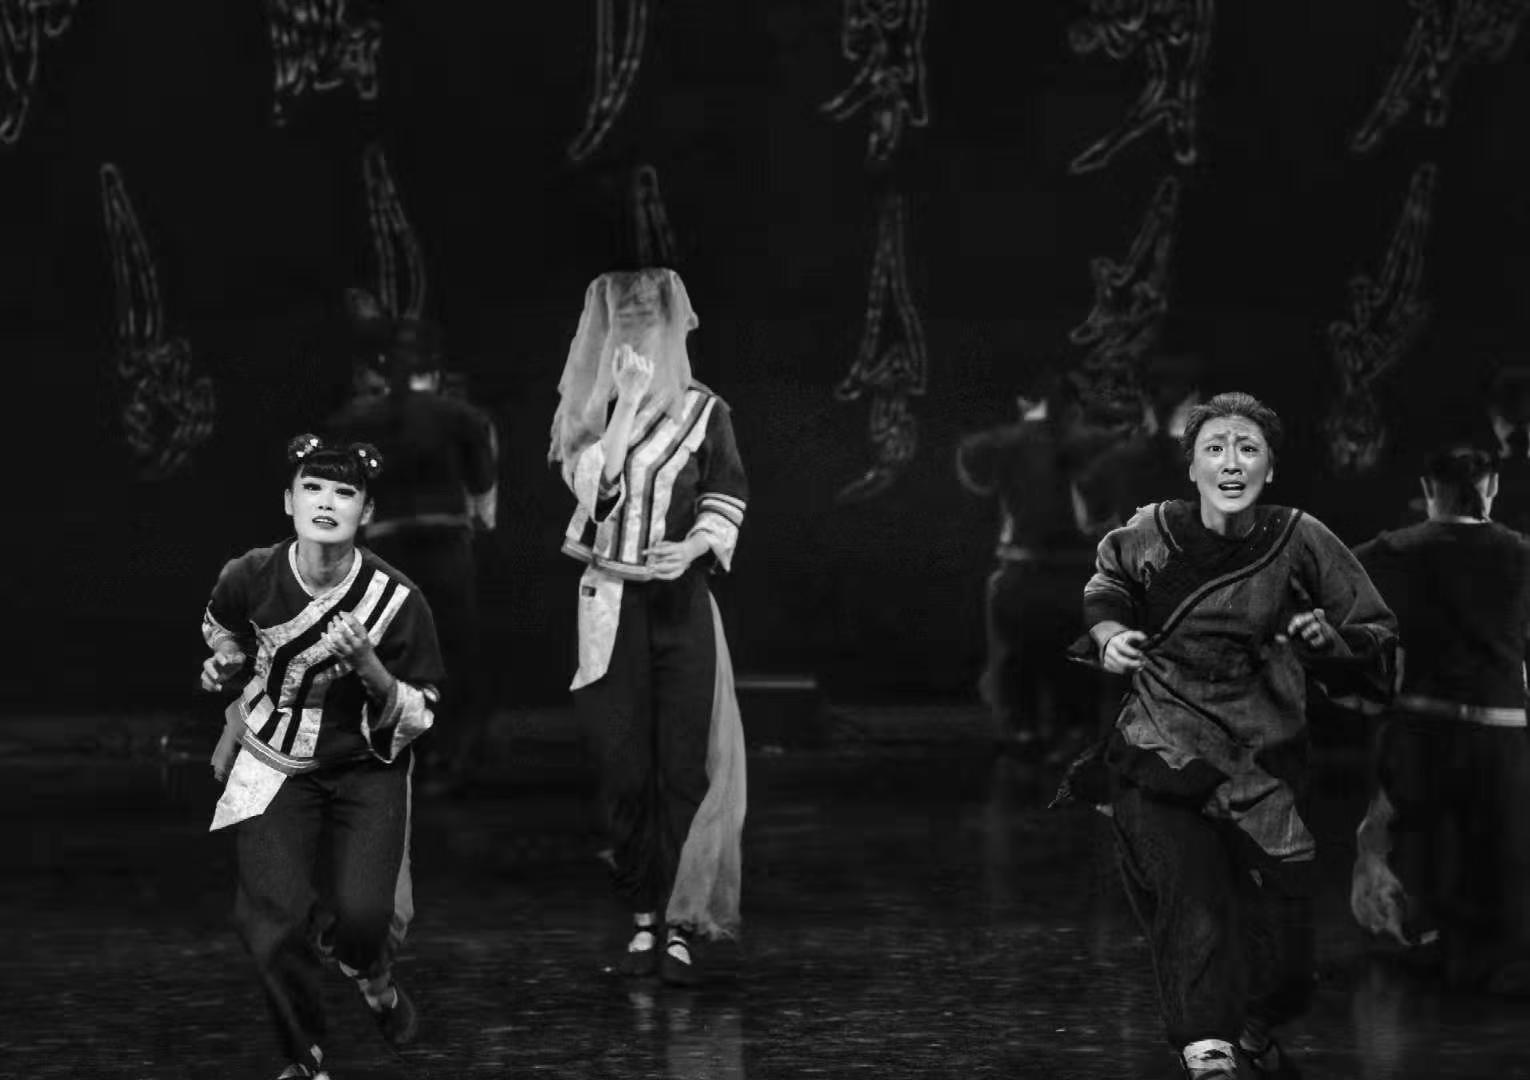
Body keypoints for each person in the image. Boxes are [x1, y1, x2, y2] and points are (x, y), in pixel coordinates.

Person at [1078, 391, 1397, 1079]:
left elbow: (1373, 626)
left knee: (1288, 959)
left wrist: (1328, 641)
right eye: (1215, 448)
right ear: (1191, 466)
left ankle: (1251, 1026)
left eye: (1247, 449)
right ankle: (1207, 1047)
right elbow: (1107, 585)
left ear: (1269, 468)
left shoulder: (1300, 537)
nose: (1231, 462)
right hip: (1163, 750)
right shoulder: (1152, 529)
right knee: (1192, 899)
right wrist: (1108, 634)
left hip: (1263, 767)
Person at [200, 434, 443, 1080]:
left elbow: (421, 710)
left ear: (367, 511)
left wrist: (369, 666)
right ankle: (303, 1056)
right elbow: (223, 627)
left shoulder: (397, 600)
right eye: (312, 489)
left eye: (344, 492)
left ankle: (374, 981)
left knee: (365, 918)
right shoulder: (250, 574)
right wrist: (225, 659)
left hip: (363, 766)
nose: (327, 502)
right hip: (273, 758)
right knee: (269, 921)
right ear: (289, 501)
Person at [548, 267, 748, 986]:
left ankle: (680, 922)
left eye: (647, 326)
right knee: (625, 765)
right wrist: (627, 403)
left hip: (680, 604)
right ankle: (641, 914)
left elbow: (725, 490)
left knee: (684, 764)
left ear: (671, 332)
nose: (635, 339)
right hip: (612, 606)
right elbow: (595, 492)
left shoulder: (705, 411)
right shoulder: (591, 411)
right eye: (623, 327)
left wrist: (692, 548)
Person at [1350, 445, 1530, 994]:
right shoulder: (1522, 554)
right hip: (1502, 728)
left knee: (1428, 852)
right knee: (1497, 857)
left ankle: (1432, 950)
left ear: (1430, 489)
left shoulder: (1397, 550)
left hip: (1426, 729)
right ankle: (1489, 960)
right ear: (1491, 486)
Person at [328, 317, 498, 795]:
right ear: (437, 368)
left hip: (387, 549)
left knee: (387, 654)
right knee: (452, 652)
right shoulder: (462, 417)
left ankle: (394, 755)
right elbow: (483, 489)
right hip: (445, 546)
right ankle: (454, 756)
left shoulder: (353, 421)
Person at [955, 372, 1103, 758]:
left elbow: (972, 463)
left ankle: (1027, 733)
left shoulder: (1005, 443)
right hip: (1069, 574)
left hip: (1031, 572)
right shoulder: (1092, 443)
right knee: (1070, 669)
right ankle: (1064, 733)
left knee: (1020, 665)